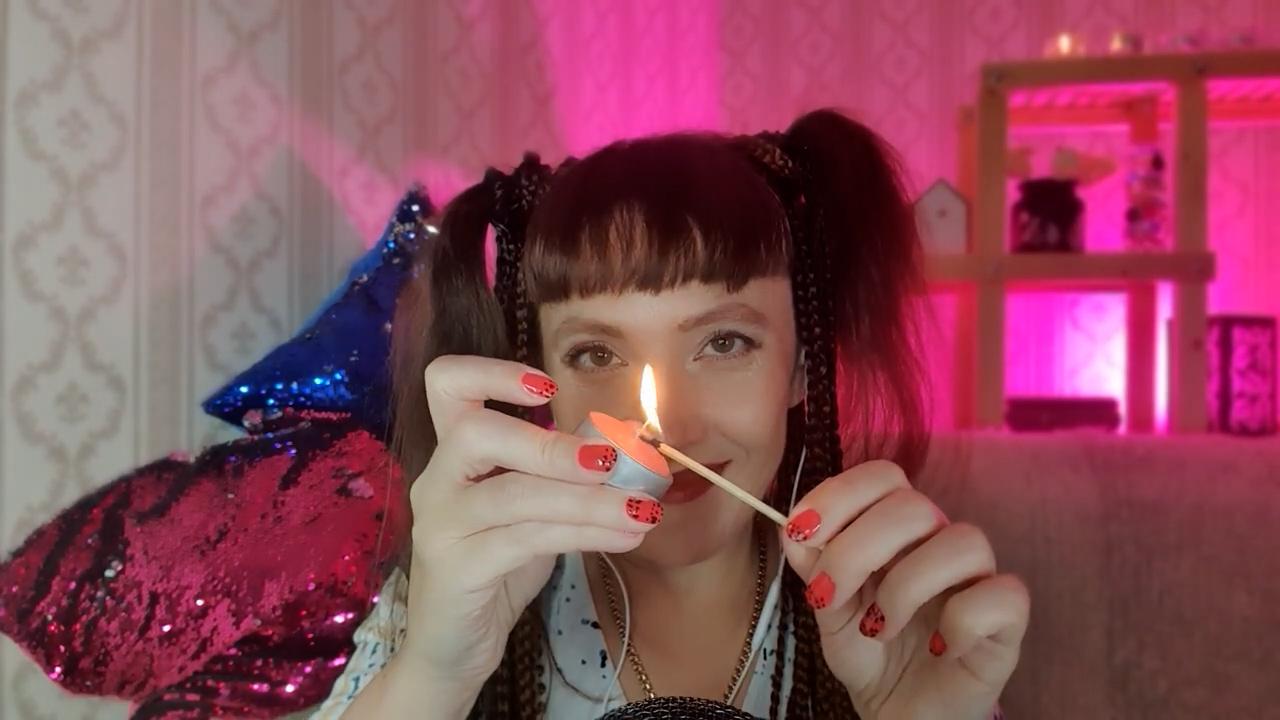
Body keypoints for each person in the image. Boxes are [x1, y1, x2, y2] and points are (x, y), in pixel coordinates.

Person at [311, 109, 1029, 719]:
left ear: (801, 367)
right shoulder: (453, 595)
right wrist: (437, 673)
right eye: (596, 354)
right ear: (541, 381)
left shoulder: (889, 612)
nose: (669, 434)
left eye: (725, 342)